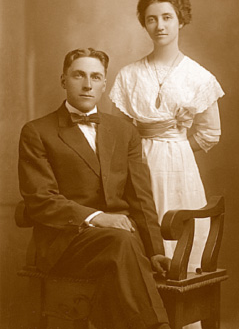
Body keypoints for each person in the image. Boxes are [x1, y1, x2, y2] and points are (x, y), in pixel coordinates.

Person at [17, 47, 172, 329]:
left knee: (122, 246)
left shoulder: (124, 131)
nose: (87, 84)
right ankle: (157, 326)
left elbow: (140, 197)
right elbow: (40, 199)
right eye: (79, 75)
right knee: (121, 241)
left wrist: (156, 251)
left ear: (104, 83)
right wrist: (97, 218)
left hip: (123, 243)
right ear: (63, 80)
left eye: (95, 77)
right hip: (66, 242)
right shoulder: (37, 131)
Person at [109, 0, 225, 271]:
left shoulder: (199, 76)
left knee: (179, 236)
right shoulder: (129, 75)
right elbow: (118, 133)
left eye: (167, 17)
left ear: (181, 20)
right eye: (151, 19)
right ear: (144, 23)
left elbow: (210, 133)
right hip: (137, 166)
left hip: (179, 169)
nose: (159, 26)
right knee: (142, 232)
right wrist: (146, 148)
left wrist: (177, 145)